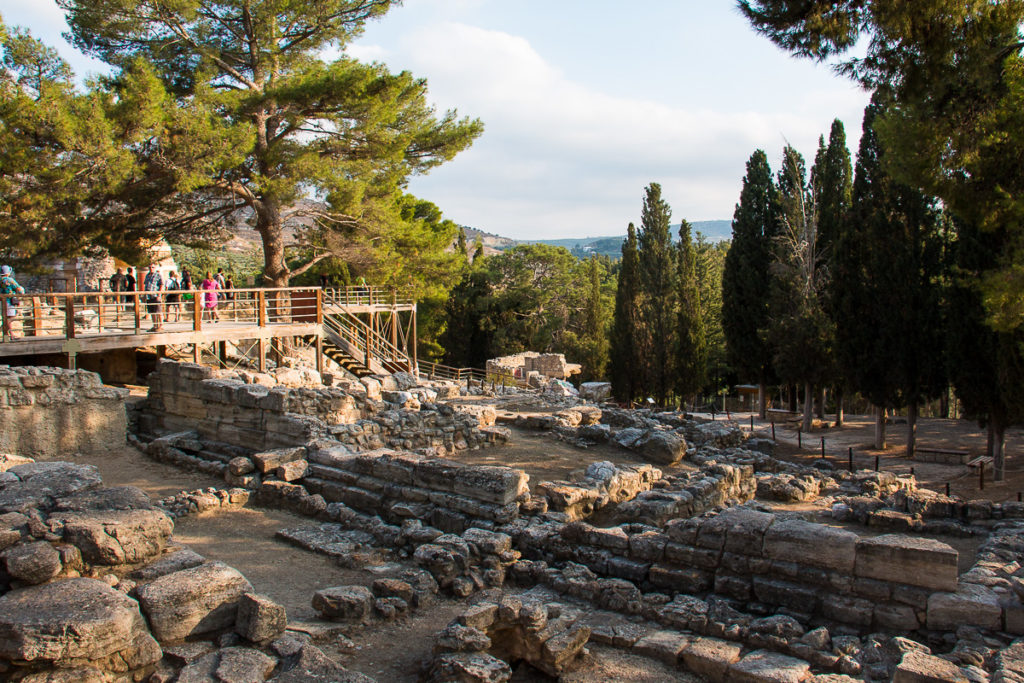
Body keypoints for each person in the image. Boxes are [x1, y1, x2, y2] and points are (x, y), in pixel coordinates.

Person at [1, 265, 25, 340]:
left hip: (1, 301)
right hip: (9, 301)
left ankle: (10, 335)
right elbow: (19, 289)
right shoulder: (9, 280)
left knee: (6, 318)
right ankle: (10, 334)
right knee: (10, 318)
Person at [143, 264, 164, 331]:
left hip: (155, 295)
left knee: (158, 311)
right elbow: (145, 285)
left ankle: (161, 326)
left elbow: (161, 285)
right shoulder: (147, 275)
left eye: (152, 267)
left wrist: (159, 295)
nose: (151, 268)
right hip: (149, 296)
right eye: (150, 267)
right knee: (152, 311)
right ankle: (155, 325)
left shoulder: (158, 275)